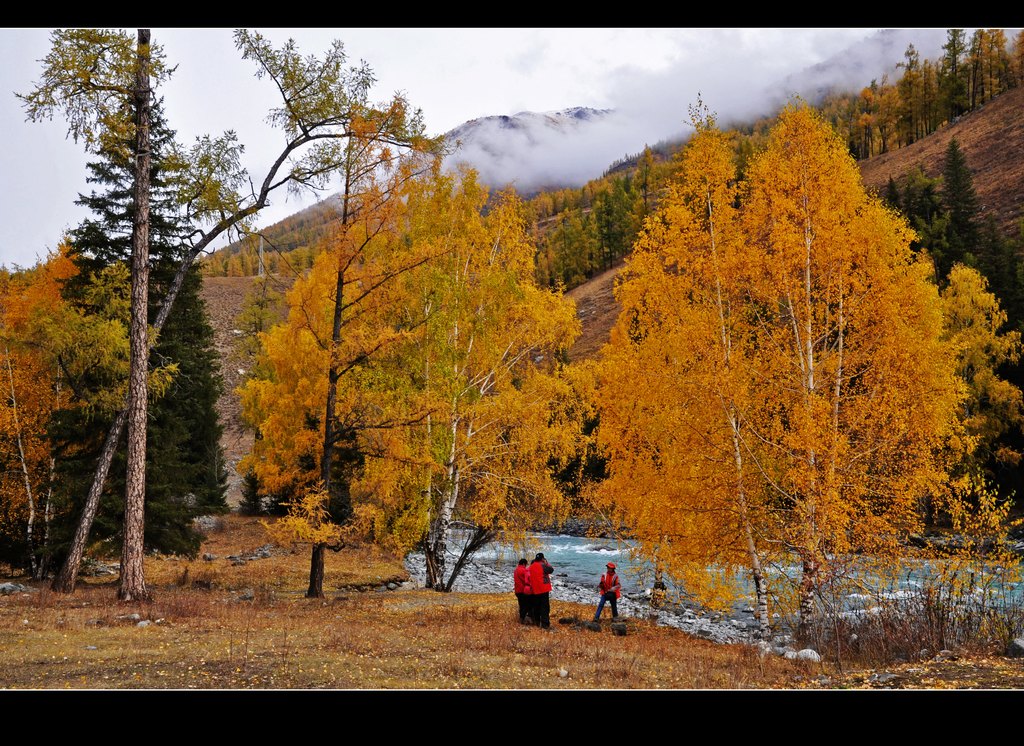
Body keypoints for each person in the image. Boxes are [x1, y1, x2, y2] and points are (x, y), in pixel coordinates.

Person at [528, 552, 554, 629]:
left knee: (537, 606)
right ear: (542, 559)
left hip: (535, 589)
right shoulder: (543, 565)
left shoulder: (531, 566)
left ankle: (536, 622)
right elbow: (551, 570)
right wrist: (547, 563)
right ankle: (545, 625)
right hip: (544, 589)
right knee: (545, 607)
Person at [513, 558, 533, 624]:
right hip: (523, 590)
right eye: (526, 564)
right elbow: (527, 580)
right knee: (527, 605)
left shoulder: (516, 570)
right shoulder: (524, 570)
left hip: (517, 590)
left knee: (521, 605)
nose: (526, 566)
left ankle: (521, 619)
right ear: (524, 563)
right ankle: (522, 618)